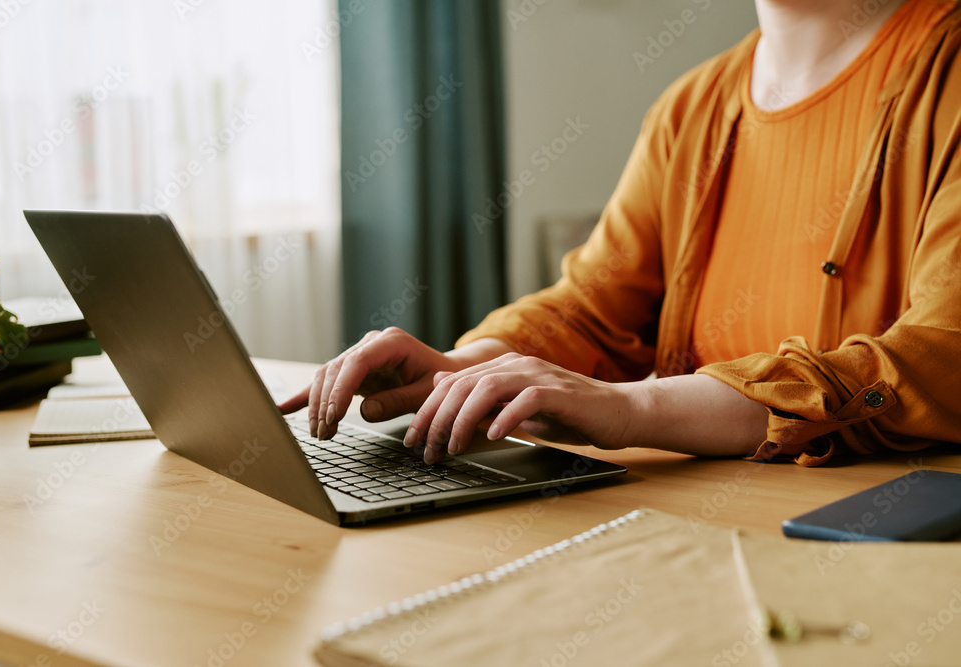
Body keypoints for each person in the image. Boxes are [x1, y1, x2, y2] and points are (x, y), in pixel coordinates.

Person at [281, 0, 961, 467]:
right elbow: (591, 306)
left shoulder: (947, 73)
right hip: (696, 528)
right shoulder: (691, 108)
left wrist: (635, 409)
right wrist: (472, 365)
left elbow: (939, 360)